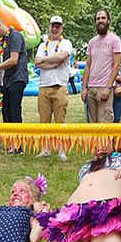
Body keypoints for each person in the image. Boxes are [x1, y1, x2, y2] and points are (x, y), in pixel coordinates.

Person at [34, 16, 74, 160]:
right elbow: (37, 63)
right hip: (44, 86)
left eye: (58, 26)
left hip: (60, 86)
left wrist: (46, 60)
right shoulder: (42, 45)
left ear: (62, 28)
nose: (55, 29)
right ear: (49, 27)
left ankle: (61, 150)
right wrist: (54, 63)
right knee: (44, 121)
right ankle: (46, 149)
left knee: (59, 120)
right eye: (53, 26)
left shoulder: (66, 43)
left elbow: (61, 56)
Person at [0, 14, 28, 130]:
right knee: (6, 112)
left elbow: (13, 60)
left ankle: (18, 145)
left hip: (17, 78)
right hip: (5, 81)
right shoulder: (1, 41)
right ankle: (10, 144)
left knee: (14, 112)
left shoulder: (15, 36)